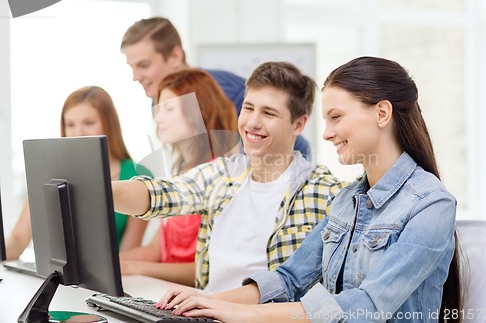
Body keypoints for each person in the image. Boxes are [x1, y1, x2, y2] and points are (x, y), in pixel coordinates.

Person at [156, 56, 463, 323]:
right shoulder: (349, 200)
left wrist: (240, 314)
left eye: (336, 118)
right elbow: (288, 279)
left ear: (382, 113)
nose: (327, 134)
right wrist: (210, 301)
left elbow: (367, 306)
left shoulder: (431, 204)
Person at [111, 61, 345, 292]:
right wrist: (99, 191)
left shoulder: (323, 192)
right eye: (249, 108)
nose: (253, 122)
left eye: (269, 113)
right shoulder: (222, 175)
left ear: (298, 124)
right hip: (204, 312)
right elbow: (160, 194)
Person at [120, 16, 312, 160]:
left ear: (175, 56)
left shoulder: (225, 92)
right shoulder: (157, 100)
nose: (136, 77)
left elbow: (298, 146)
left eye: (144, 65)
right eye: (132, 67)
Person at [119, 68, 238, 286]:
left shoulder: (224, 177)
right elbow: (157, 250)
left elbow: (211, 269)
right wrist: (112, 263)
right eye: (158, 109)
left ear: (198, 111)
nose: (159, 118)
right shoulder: (181, 175)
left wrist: (135, 268)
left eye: (169, 109)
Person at [5, 86, 151, 260]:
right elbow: (18, 239)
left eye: (88, 123)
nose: (78, 133)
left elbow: (127, 255)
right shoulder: (48, 172)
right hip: (57, 278)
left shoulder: (138, 175)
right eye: (70, 124)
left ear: (109, 124)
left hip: (112, 281)